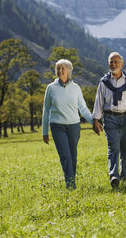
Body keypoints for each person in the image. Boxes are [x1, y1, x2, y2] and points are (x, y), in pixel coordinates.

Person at [92, 52, 126, 188]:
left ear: (121, 64)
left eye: (116, 62)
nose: (113, 64)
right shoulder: (103, 83)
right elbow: (98, 103)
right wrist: (96, 120)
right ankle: (114, 176)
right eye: (111, 62)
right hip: (110, 118)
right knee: (113, 148)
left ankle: (124, 178)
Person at [42, 59, 93, 189]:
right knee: (65, 156)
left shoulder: (76, 88)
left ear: (69, 70)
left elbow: (83, 108)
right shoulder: (51, 88)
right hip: (57, 126)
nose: (60, 71)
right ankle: (71, 185)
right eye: (58, 69)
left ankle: (71, 180)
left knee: (73, 157)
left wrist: (94, 122)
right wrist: (44, 132)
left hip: (74, 126)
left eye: (62, 68)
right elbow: (46, 110)